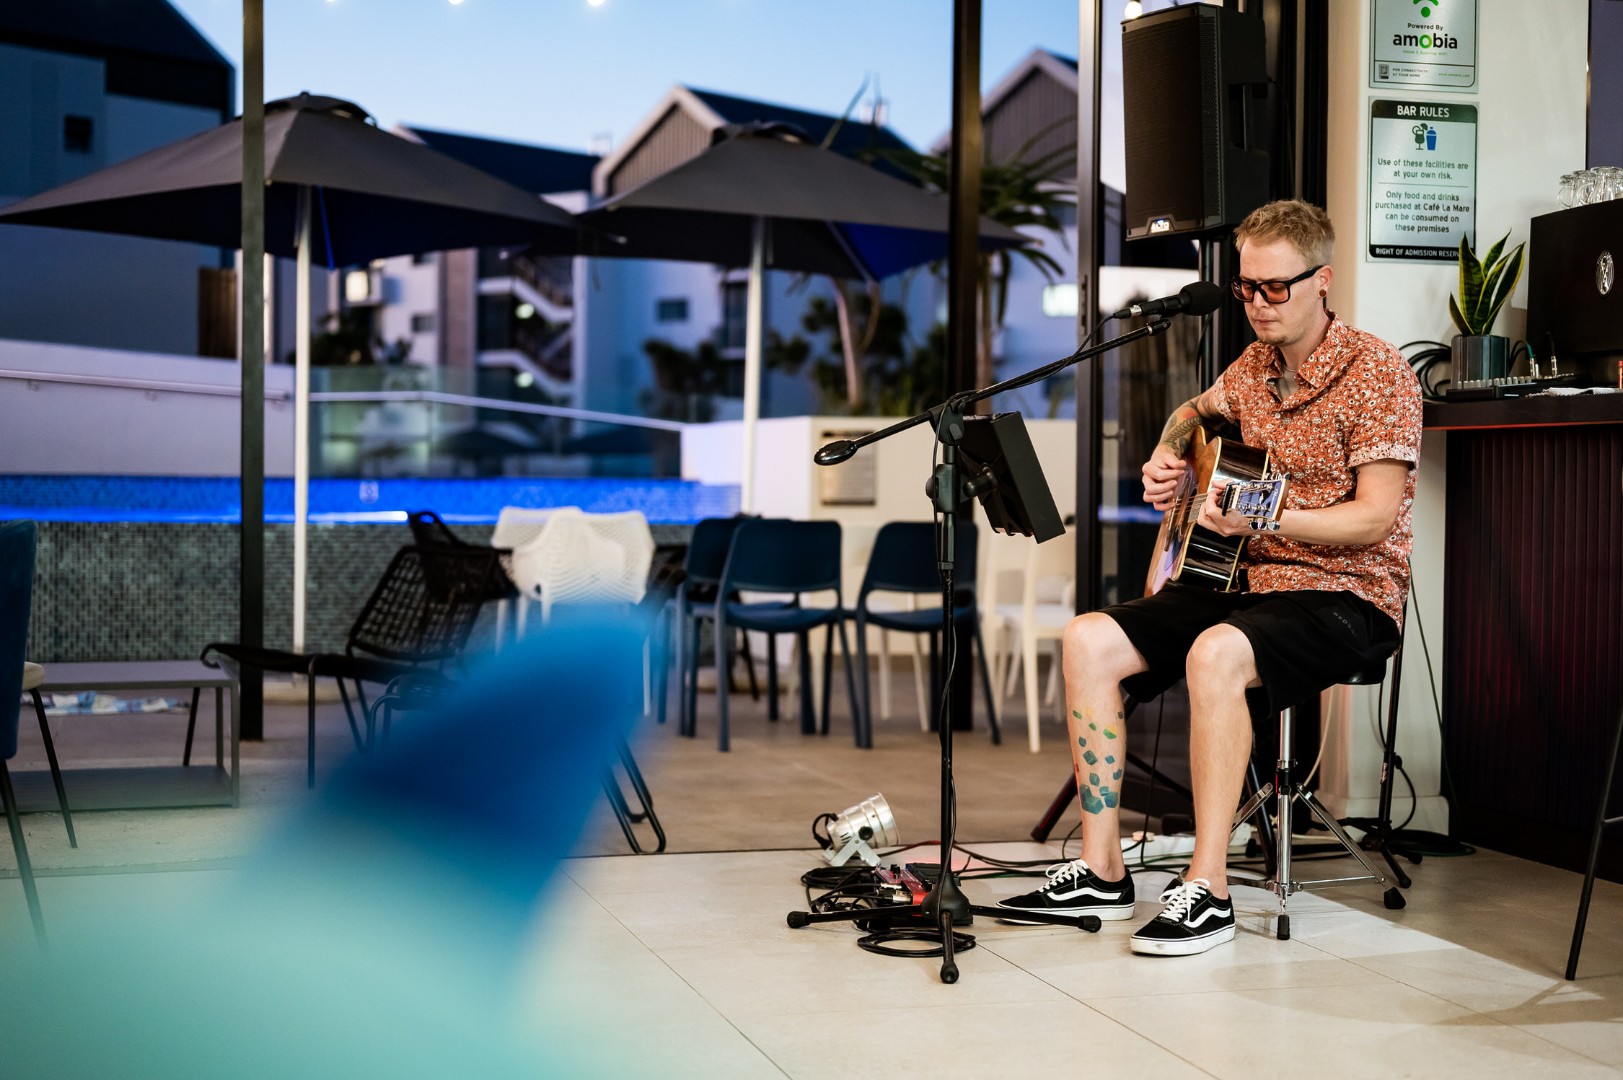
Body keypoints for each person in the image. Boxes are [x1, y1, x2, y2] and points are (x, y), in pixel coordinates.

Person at [997, 199, 1423, 956]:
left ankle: (1208, 886)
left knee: (1216, 651)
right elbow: (1192, 413)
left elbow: (1372, 519)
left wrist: (1264, 517)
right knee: (1088, 638)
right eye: (1245, 288)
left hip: (1347, 595)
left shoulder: (1377, 372)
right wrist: (1168, 457)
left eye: (1274, 287)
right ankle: (1100, 870)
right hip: (1242, 582)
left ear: (1322, 281)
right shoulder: (1251, 368)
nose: (1257, 303)